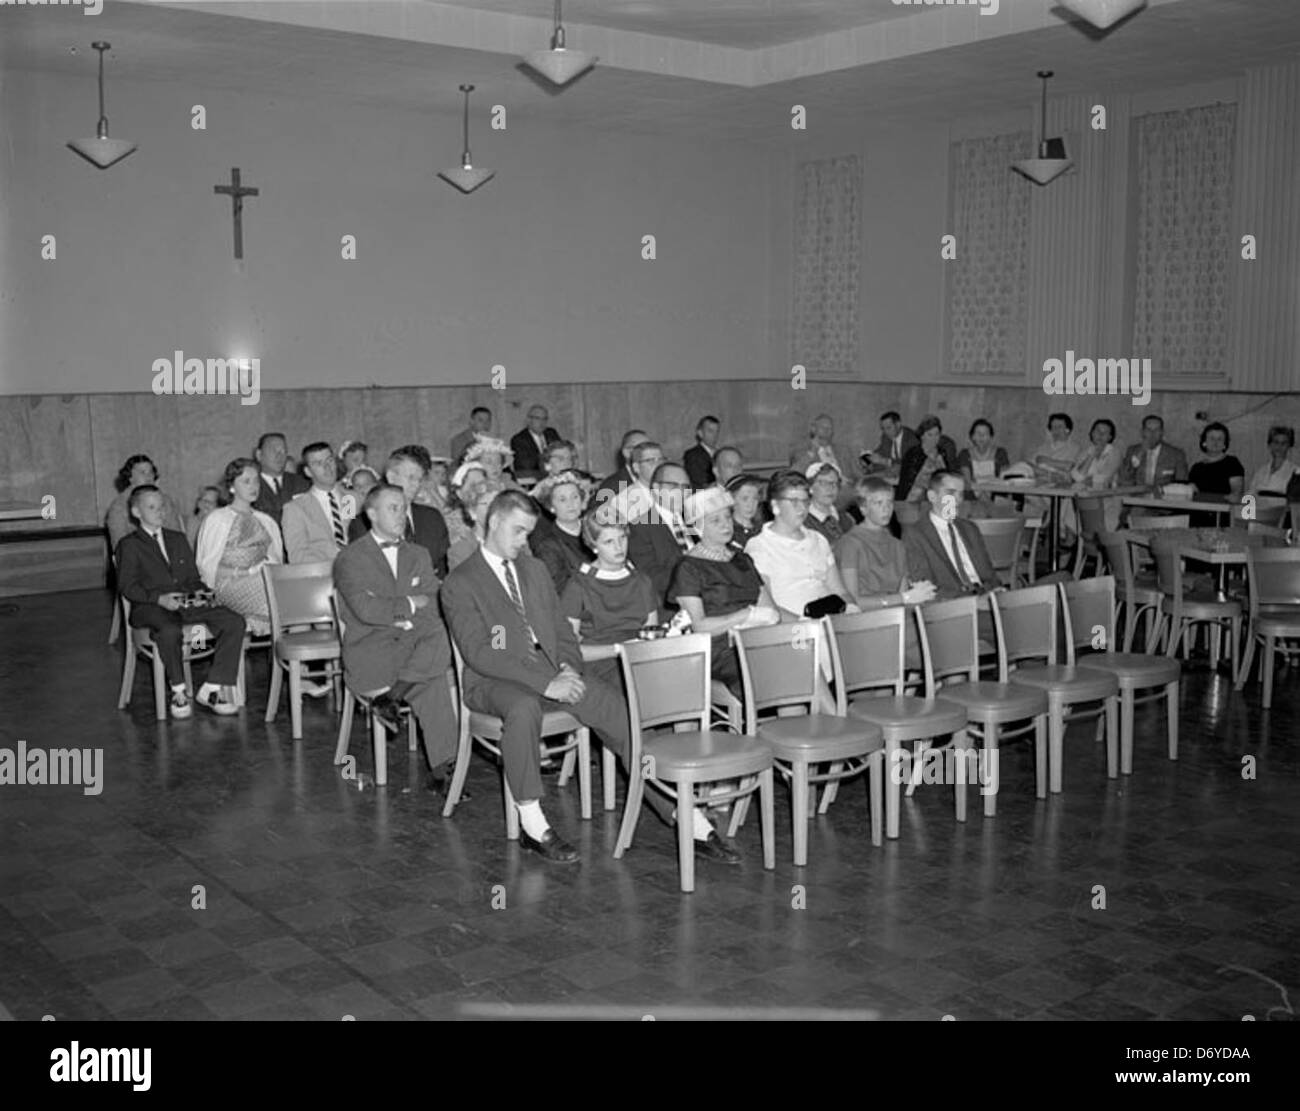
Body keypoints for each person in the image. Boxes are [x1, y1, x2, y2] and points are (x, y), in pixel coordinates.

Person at [441, 490, 740, 865]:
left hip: (549, 670)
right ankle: (533, 823)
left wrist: (566, 666)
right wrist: (546, 683)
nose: (524, 542)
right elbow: (481, 652)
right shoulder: (462, 581)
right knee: (522, 708)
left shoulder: (532, 570)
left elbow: (561, 633)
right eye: (518, 532)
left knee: (620, 715)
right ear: (495, 522)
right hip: (492, 679)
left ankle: (684, 815)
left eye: (529, 534)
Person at [332, 483, 459, 792]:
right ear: (372, 514)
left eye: (404, 508)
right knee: (433, 677)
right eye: (393, 508)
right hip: (372, 652)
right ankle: (444, 768)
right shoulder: (350, 558)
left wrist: (409, 612)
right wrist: (410, 605)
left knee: (444, 630)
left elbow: (435, 603)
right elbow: (366, 610)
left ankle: (393, 699)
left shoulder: (418, 553)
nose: (402, 515)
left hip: (413, 648)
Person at [116, 485, 245, 718]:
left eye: (161, 506)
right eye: (152, 507)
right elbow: (127, 586)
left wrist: (204, 595)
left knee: (233, 621)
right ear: (136, 512)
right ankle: (178, 690)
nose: (160, 511)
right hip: (150, 607)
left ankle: (212, 688)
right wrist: (159, 599)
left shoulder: (177, 539)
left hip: (186, 604)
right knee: (169, 630)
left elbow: (193, 579)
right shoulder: (129, 545)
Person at [667, 487, 781, 698]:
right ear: (698, 527)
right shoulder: (689, 567)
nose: (726, 525)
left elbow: (770, 609)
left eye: (727, 517)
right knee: (765, 671)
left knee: (802, 659)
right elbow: (699, 625)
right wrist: (744, 615)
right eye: (715, 521)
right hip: (720, 648)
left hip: (755, 638)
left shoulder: (742, 559)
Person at [560, 514, 659, 689]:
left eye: (622, 538)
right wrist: (619, 649)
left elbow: (652, 632)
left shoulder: (642, 581)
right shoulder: (578, 586)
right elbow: (569, 650)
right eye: (608, 542)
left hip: (640, 659)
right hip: (602, 662)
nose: (619, 547)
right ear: (594, 546)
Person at [744, 472, 859, 619]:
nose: (802, 508)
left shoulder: (818, 540)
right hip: (793, 630)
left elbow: (840, 592)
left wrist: (853, 610)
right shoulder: (759, 546)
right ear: (775, 506)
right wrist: (805, 625)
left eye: (805, 501)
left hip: (831, 622)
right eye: (794, 502)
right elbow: (767, 608)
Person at [195, 458, 285, 637]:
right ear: (232, 486)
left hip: (263, 580)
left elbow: (276, 561)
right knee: (274, 592)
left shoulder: (266, 521)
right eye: (246, 481)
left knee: (289, 588)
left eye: (256, 480)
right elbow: (207, 568)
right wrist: (248, 572)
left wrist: (265, 570)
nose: (254, 486)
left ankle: (294, 658)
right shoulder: (217, 519)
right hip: (226, 586)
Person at [347, 446, 450, 578]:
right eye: (411, 478)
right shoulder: (363, 523)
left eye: (420, 479)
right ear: (391, 477)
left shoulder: (432, 518)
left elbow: (444, 569)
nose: (416, 485)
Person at [836, 478, 937, 610]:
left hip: (895, 614)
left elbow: (903, 593)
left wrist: (919, 594)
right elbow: (852, 601)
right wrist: (904, 598)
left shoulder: (897, 544)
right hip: (863, 618)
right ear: (863, 508)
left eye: (890, 502)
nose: (886, 509)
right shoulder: (850, 543)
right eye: (878, 503)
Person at [903, 471, 1000, 602]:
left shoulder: (970, 529)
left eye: (960, 494)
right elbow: (925, 586)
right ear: (932, 496)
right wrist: (971, 601)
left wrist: (996, 591)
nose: (957, 500)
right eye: (950, 493)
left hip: (985, 594)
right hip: (952, 602)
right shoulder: (916, 534)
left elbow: (989, 573)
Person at [627, 462, 696, 610]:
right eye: (673, 486)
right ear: (656, 489)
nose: (681, 492)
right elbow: (650, 577)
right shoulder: (640, 527)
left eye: (685, 487)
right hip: (669, 606)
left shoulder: (696, 522)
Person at [280, 442, 350, 565]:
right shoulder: (295, 509)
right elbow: (298, 557)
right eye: (318, 463)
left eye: (329, 460)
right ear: (308, 472)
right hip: (323, 577)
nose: (327, 467)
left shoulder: (351, 499)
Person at [529, 470, 594, 595]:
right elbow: (558, 591)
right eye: (562, 500)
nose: (571, 504)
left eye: (574, 497)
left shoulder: (595, 530)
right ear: (551, 507)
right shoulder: (547, 545)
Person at [106, 455, 184, 549]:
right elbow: (120, 546)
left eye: (151, 472)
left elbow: (177, 535)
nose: (148, 476)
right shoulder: (119, 507)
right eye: (142, 472)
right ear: (130, 477)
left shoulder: (166, 501)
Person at [1067, 418, 1124, 532]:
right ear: (1091, 434)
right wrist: (1091, 456)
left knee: (1074, 505)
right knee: (1069, 503)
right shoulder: (1086, 452)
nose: (1100, 435)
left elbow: (1105, 478)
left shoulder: (1114, 453)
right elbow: (1076, 477)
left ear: (1110, 437)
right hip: (1086, 496)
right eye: (1097, 431)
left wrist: (1086, 479)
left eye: (1105, 433)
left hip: (1107, 498)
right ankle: (1073, 543)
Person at [896, 416, 959, 505]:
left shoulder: (943, 452)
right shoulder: (913, 454)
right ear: (922, 436)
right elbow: (905, 483)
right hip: (914, 499)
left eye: (937, 434)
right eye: (930, 434)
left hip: (938, 499)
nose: (934, 438)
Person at [447, 478, 505, 572]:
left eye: (499, 504)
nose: (494, 510)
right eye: (487, 504)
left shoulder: (518, 542)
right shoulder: (461, 551)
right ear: (472, 512)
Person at [251, 432, 309, 526]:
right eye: (273, 451)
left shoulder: (301, 483)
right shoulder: (250, 485)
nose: (279, 456)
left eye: (283, 451)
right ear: (259, 454)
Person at [1119, 414, 1189, 489]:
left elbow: (1182, 484)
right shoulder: (1133, 451)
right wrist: (1139, 455)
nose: (1152, 434)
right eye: (1148, 430)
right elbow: (1124, 480)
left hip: (1163, 497)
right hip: (1137, 496)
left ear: (1162, 432)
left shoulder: (1176, 454)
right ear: (1142, 432)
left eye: (1157, 430)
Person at [609, 440, 663, 522]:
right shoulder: (623, 501)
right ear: (636, 467)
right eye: (651, 461)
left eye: (661, 460)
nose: (659, 465)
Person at [789, 413, 852, 483]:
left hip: (844, 488)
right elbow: (794, 474)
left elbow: (857, 475)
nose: (826, 430)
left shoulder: (843, 451)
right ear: (813, 429)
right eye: (822, 427)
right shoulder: (801, 450)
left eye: (829, 428)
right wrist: (812, 452)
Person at [594, 429, 650, 506]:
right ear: (627, 452)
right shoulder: (612, 485)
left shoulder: (657, 481)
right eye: (643, 448)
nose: (650, 453)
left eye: (651, 447)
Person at [804, 462, 855, 545]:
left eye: (834, 483)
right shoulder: (803, 523)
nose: (830, 488)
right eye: (823, 483)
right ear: (810, 487)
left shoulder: (847, 519)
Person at [510, 405, 561, 486]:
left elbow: (561, 453)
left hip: (556, 478)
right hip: (533, 482)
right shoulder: (519, 439)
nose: (542, 422)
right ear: (528, 420)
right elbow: (525, 465)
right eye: (537, 418)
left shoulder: (552, 433)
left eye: (545, 419)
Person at [1189, 422, 1245, 497]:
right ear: (1204, 442)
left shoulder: (1232, 463)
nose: (1215, 442)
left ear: (1225, 444)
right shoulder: (1196, 468)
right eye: (1212, 438)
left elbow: (1237, 493)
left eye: (1220, 439)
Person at [957, 419, 1010, 495]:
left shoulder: (1000, 453)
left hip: (996, 496)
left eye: (985, 433)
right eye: (978, 433)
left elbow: (1003, 479)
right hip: (972, 496)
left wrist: (979, 481)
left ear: (991, 437)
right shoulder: (964, 454)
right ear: (972, 437)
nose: (981, 437)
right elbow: (967, 482)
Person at [862, 411, 919, 477]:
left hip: (906, 475)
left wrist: (885, 461)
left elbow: (908, 465)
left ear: (898, 424)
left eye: (888, 428)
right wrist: (867, 459)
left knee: (869, 479)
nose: (885, 432)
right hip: (890, 472)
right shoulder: (886, 437)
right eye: (883, 428)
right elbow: (881, 451)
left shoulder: (911, 439)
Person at [1247, 426, 1297, 498]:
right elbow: (1250, 495)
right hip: (1258, 508)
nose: (1279, 446)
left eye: (1284, 443)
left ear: (1289, 446)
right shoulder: (1261, 472)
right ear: (1270, 445)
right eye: (1276, 442)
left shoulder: (1295, 472)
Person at [726, 474, 766, 548]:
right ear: (732, 500)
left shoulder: (764, 531)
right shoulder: (725, 531)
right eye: (745, 499)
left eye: (755, 498)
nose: (750, 505)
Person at [683, 415, 721, 489]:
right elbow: (699, 483)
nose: (715, 435)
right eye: (710, 431)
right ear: (700, 433)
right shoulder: (692, 455)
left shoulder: (721, 454)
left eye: (717, 431)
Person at [185, 486, 223, 550]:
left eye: (211, 502)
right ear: (198, 503)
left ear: (217, 507)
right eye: (205, 500)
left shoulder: (220, 526)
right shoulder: (188, 522)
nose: (207, 504)